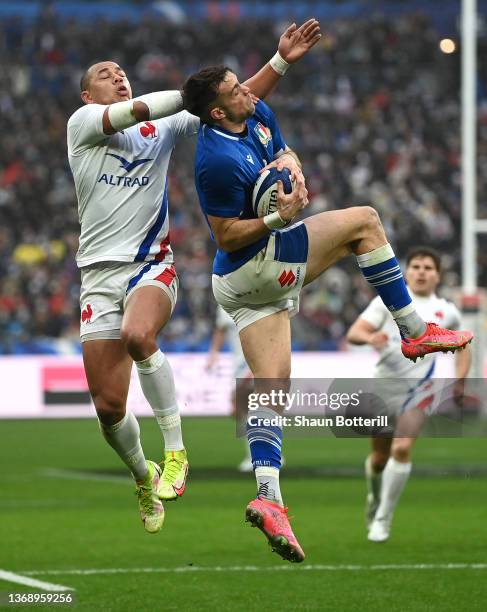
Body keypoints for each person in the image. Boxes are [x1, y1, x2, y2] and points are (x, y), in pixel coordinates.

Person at [182, 66, 473, 562]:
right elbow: (226, 233)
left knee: (271, 389)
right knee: (364, 222)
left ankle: (268, 496)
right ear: (216, 111)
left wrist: (290, 162)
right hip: (255, 261)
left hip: (239, 289)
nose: (246, 89)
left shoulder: (255, 112)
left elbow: (282, 148)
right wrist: (279, 215)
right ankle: (413, 330)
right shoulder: (215, 158)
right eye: (234, 89)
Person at [67, 20, 322, 534]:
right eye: (105, 73)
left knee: (139, 336)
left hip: (151, 265)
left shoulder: (166, 126)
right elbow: (151, 108)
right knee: (108, 407)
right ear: (86, 92)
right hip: (97, 274)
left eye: (121, 72)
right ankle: (144, 474)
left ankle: (177, 452)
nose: (118, 77)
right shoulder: (84, 125)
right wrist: (190, 95)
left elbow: (231, 104)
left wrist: (279, 63)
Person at [346, 247, 471, 543]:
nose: (421, 271)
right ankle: (375, 498)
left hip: (420, 390)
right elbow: (354, 332)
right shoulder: (388, 302)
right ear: (407, 271)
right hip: (383, 387)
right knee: (378, 458)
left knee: (401, 449)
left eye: (428, 267)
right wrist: (369, 337)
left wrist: (460, 380)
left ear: (437, 275)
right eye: (416, 266)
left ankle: (383, 519)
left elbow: (464, 346)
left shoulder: (447, 311)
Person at [207, 304, 254, 472]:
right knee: (240, 411)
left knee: (246, 409)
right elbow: (221, 328)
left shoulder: (256, 299)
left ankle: (258, 457)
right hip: (238, 365)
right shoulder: (224, 299)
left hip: (253, 362)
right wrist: (213, 353)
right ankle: (262, 455)